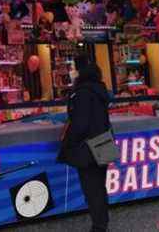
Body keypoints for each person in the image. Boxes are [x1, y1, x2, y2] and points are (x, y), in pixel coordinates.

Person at [58, 56, 112, 232]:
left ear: (81, 71)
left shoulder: (81, 92)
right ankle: (102, 222)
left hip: (88, 146)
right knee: (99, 186)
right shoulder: (99, 89)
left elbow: (80, 124)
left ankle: (98, 226)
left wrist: (69, 142)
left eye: (73, 67)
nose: (71, 70)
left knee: (91, 187)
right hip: (104, 140)